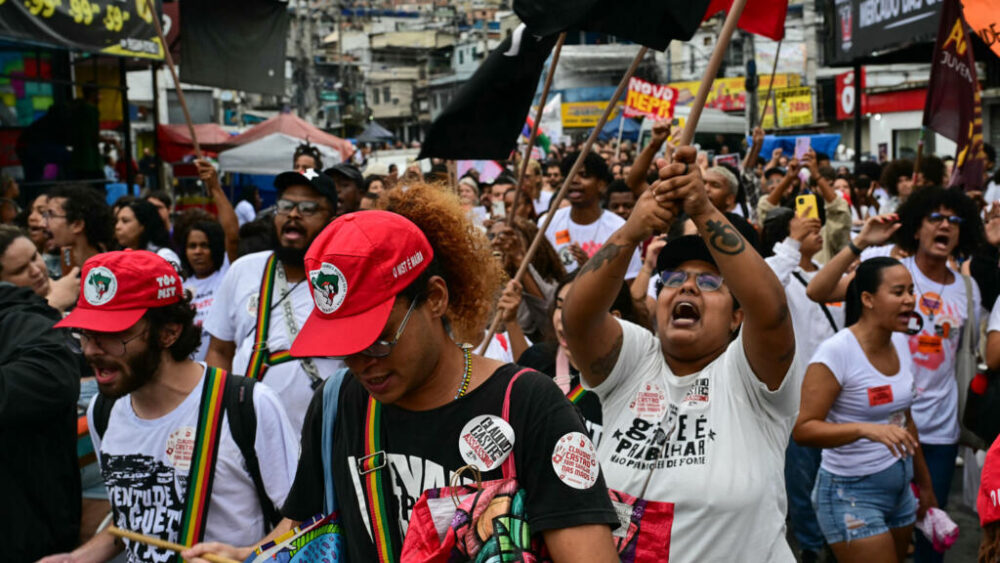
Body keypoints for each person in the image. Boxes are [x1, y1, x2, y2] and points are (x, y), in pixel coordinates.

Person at [184, 181, 620, 563]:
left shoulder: (530, 405)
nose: (362, 363)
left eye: (378, 337)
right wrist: (251, 556)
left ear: (434, 298)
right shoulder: (339, 402)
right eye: (344, 345)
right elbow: (301, 527)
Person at [562, 146, 798, 561]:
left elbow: (772, 310)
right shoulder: (635, 358)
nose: (687, 287)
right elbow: (578, 318)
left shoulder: (750, 375)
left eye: (709, 282)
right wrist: (631, 231)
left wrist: (703, 210)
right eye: (674, 278)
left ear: (736, 317)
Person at [40, 250, 298, 563]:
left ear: (169, 332)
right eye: (85, 333)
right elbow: (132, 521)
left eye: (112, 334)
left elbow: (301, 519)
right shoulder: (102, 412)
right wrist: (76, 559)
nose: (92, 350)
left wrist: (247, 556)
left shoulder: (247, 405)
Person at [807, 188, 984, 563]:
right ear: (916, 227)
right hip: (871, 439)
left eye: (954, 221)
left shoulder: (968, 289)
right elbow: (818, 291)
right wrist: (859, 244)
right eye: (935, 218)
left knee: (929, 544)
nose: (945, 227)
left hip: (936, 430)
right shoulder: (887, 267)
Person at [794, 257, 936, 562]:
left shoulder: (900, 342)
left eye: (911, 290)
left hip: (900, 491)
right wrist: (864, 429)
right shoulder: (836, 352)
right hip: (850, 495)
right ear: (868, 299)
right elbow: (804, 429)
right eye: (898, 292)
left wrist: (924, 486)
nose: (910, 299)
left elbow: (907, 422)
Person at [204, 169, 342, 432]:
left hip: (328, 440)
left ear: (332, 221)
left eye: (308, 208)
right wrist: (218, 413)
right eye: (286, 205)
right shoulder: (244, 270)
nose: (293, 214)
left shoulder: (346, 279)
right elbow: (220, 350)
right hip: (248, 437)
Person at [760, 206, 844, 562]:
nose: (817, 233)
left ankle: (837, 538)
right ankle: (810, 544)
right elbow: (761, 284)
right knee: (801, 477)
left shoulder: (827, 275)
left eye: (817, 228)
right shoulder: (777, 271)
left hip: (838, 397)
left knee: (834, 475)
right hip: (797, 398)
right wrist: (791, 243)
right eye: (806, 229)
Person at [0, 277, 82, 562]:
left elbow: (54, 378)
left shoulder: (22, 320)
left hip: (28, 535)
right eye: (22, 267)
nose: (37, 271)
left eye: (34, 259)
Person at [520, 271, 643, 445]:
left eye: (578, 308)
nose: (564, 317)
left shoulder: (641, 386)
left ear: (614, 318)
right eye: (560, 306)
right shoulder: (535, 362)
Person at [542, 151, 642, 279]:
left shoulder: (620, 228)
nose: (574, 180)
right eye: (569, 175)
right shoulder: (548, 222)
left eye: (584, 175)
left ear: (601, 185)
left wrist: (590, 270)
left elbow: (630, 282)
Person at [0, 225, 79, 312]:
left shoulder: (72, 287)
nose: (36, 271)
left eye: (34, 257)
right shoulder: (8, 318)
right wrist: (54, 304)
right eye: (21, 270)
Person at [44, 184, 114, 270]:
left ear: (77, 225)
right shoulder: (47, 270)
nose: (43, 224)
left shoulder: (110, 273)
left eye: (51, 215)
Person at [115, 199, 182, 270]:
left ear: (143, 225)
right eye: (117, 221)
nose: (117, 226)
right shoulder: (117, 257)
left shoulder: (163, 256)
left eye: (125, 221)